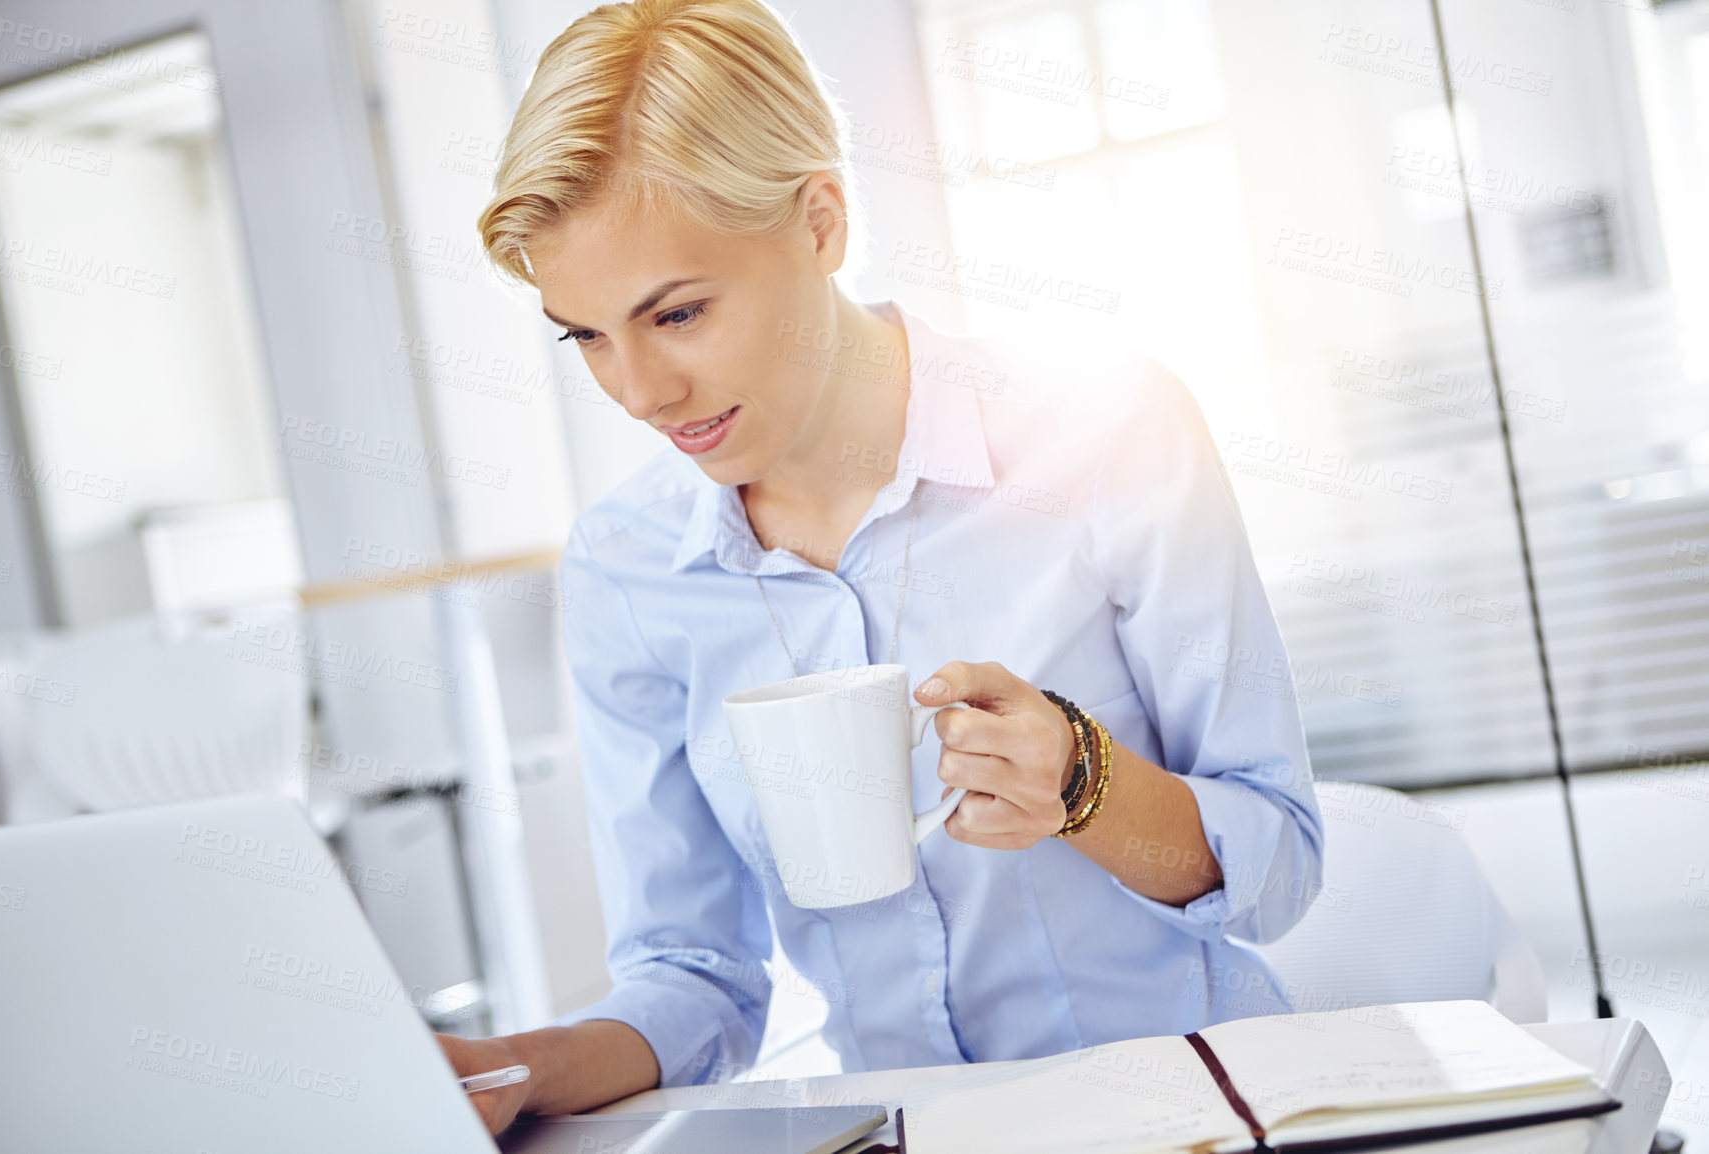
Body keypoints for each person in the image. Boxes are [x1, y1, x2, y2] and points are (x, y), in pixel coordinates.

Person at [439, 0, 1323, 1135]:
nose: (639, 391)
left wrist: (1083, 783)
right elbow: (695, 975)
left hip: (1186, 1115)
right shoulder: (626, 567)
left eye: (679, 312)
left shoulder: (1106, 429)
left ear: (819, 221)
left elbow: (1280, 864)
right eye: (587, 335)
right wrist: (522, 1064)